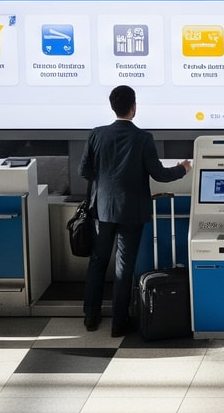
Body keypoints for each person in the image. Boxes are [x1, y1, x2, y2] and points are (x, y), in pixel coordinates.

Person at [81, 85, 189, 337]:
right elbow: (159, 174)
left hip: (103, 210)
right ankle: (119, 323)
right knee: (123, 267)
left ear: (112, 107)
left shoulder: (96, 134)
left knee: (97, 262)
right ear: (134, 107)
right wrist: (182, 169)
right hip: (132, 211)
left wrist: (105, 183)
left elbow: (83, 171)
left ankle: (90, 316)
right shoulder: (143, 138)